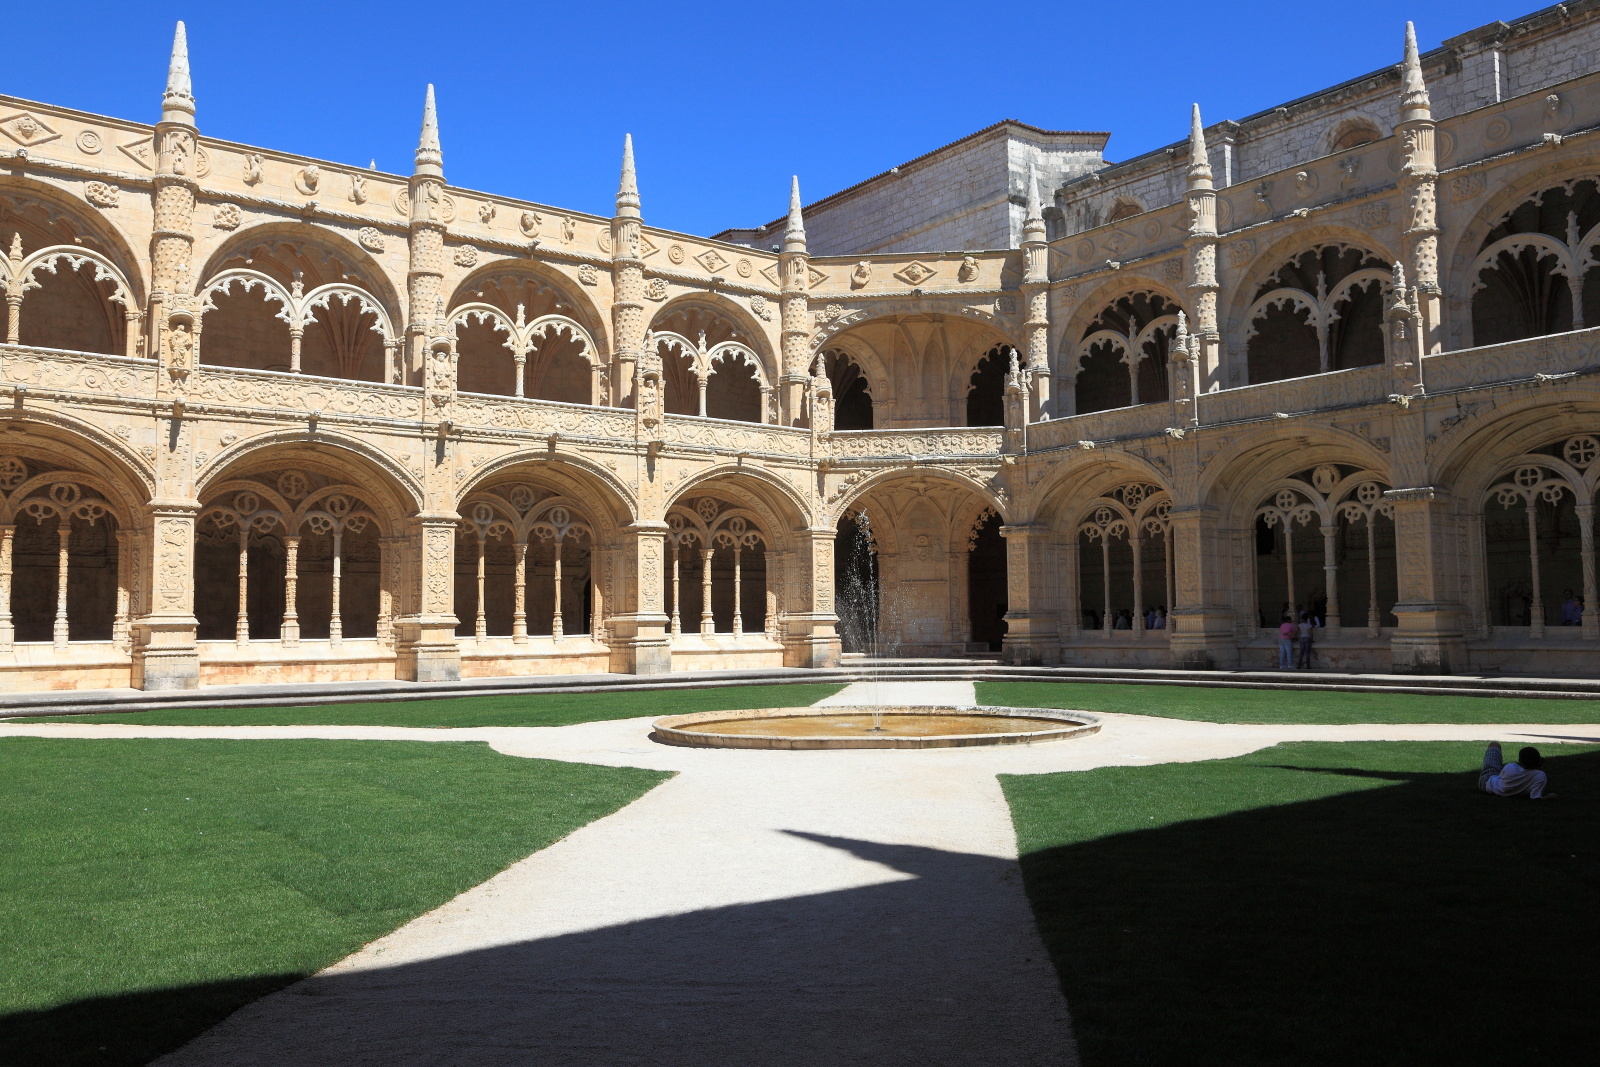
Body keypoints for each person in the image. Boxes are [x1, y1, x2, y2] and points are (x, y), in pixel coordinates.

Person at [1477, 742, 1554, 799]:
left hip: (1487, 783)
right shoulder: (1539, 776)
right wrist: (1549, 797)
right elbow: (1535, 797)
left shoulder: (1511, 767)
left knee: (1494, 744)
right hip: (1498, 787)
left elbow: (1500, 777)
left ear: (1520, 760)